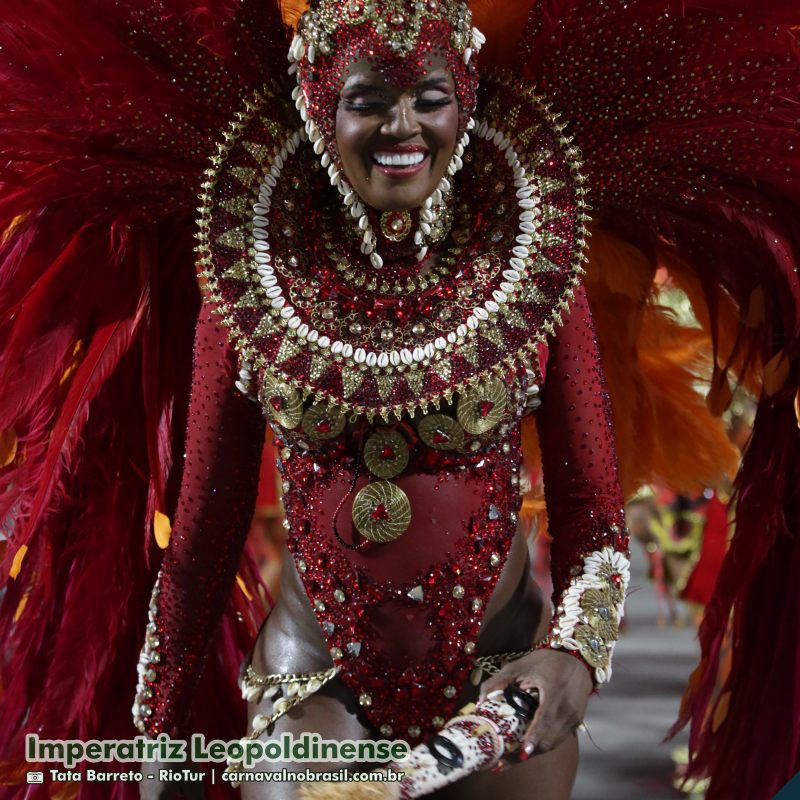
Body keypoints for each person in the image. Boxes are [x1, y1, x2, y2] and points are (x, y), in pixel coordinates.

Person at [0, 3, 798, 800]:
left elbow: (592, 519)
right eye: (367, 100)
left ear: (467, 101)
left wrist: (574, 655)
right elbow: (203, 538)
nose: (403, 126)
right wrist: (163, 737)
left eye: (431, 97)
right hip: (314, 686)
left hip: (499, 677)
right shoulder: (250, 275)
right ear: (319, 106)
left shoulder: (538, 259)